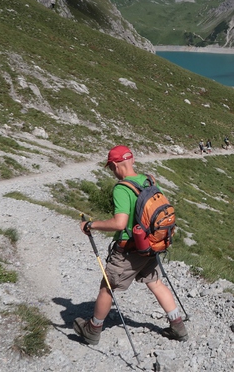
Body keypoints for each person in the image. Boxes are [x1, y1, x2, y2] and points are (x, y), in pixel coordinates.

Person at [73, 145, 188, 345]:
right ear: (132, 160)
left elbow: (119, 223)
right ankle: (178, 326)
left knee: (107, 287)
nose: (112, 171)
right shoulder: (149, 180)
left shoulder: (122, 188)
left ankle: (93, 329)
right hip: (151, 246)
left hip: (129, 250)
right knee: (155, 283)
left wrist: (91, 225)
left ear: (116, 164)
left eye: (111, 167)